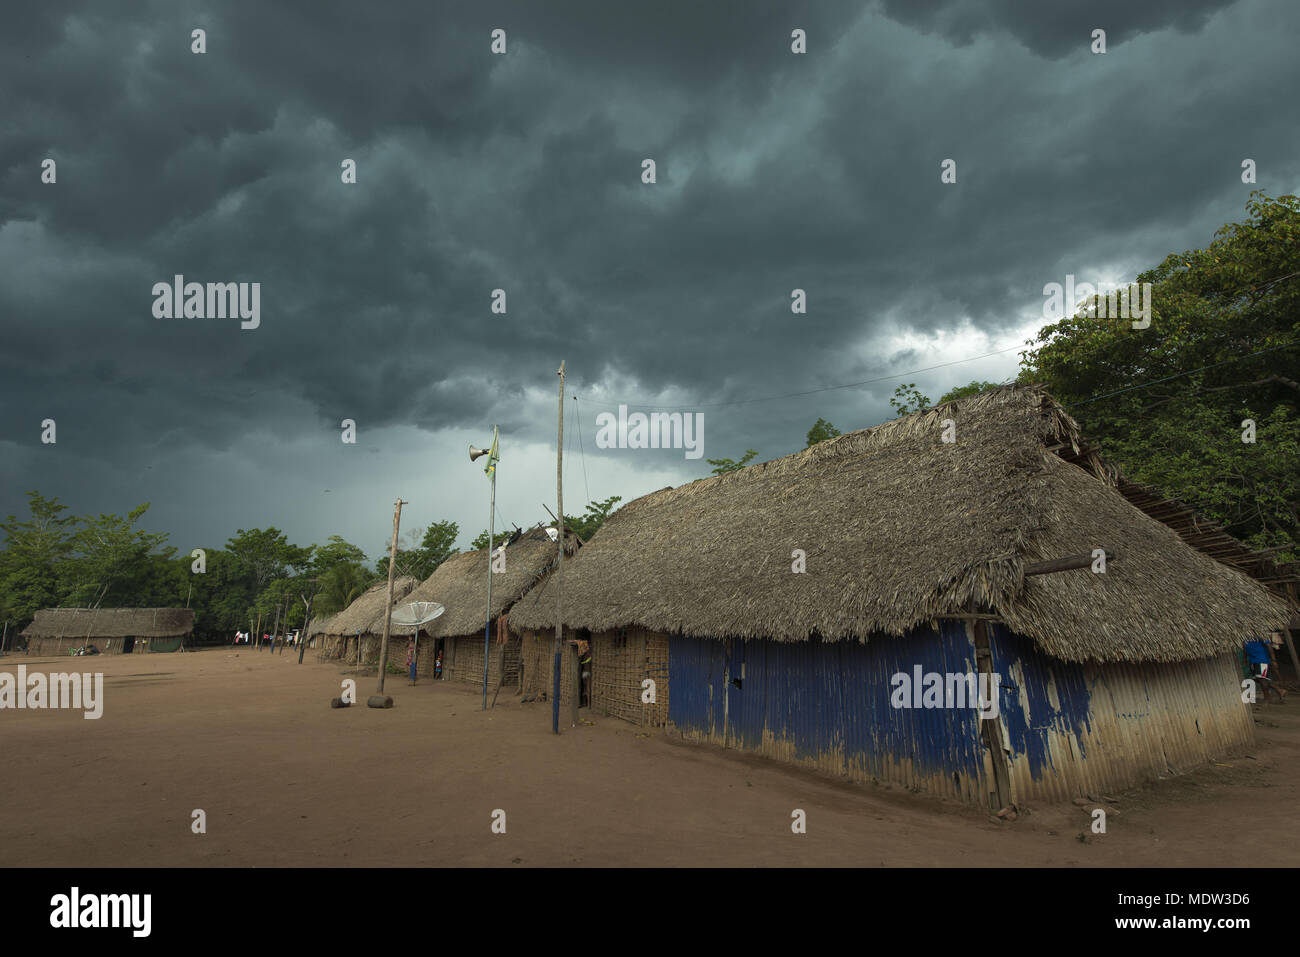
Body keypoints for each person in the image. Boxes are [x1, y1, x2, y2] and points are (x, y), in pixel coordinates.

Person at [1245, 635, 1285, 704]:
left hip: (1261, 660)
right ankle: (1279, 690)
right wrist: (1245, 659)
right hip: (1253, 661)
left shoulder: (1260, 635)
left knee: (1262, 679)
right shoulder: (1245, 637)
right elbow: (1244, 650)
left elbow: (1269, 647)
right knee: (1257, 679)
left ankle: (1267, 698)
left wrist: (1273, 660)